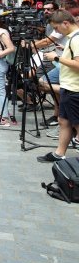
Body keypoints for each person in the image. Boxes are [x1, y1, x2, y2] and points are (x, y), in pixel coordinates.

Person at [37, 10, 79, 163]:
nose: (56, 31)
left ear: (65, 23)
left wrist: (56, 57)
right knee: (64, 121)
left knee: (76, 124)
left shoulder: (76, 39)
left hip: (74, 89)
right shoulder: (72, 38)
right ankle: (59, 153)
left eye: (56, 28)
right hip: (69, 87)